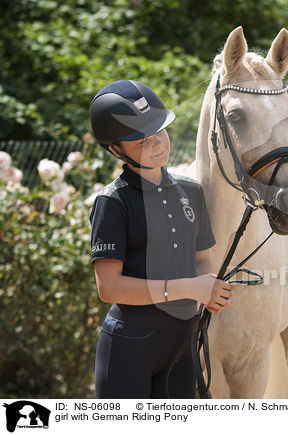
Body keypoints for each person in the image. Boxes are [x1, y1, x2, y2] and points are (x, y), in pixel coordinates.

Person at [88, 80, 232, 398]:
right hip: (129, 347)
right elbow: (109, 287)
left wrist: (209, 288)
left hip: (182, 345)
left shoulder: (191, 191)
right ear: (115, 149)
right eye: (140, 141)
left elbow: (202, 258)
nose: (157, 144)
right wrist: (187, 288)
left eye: (160, 131)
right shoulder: (112, 202)